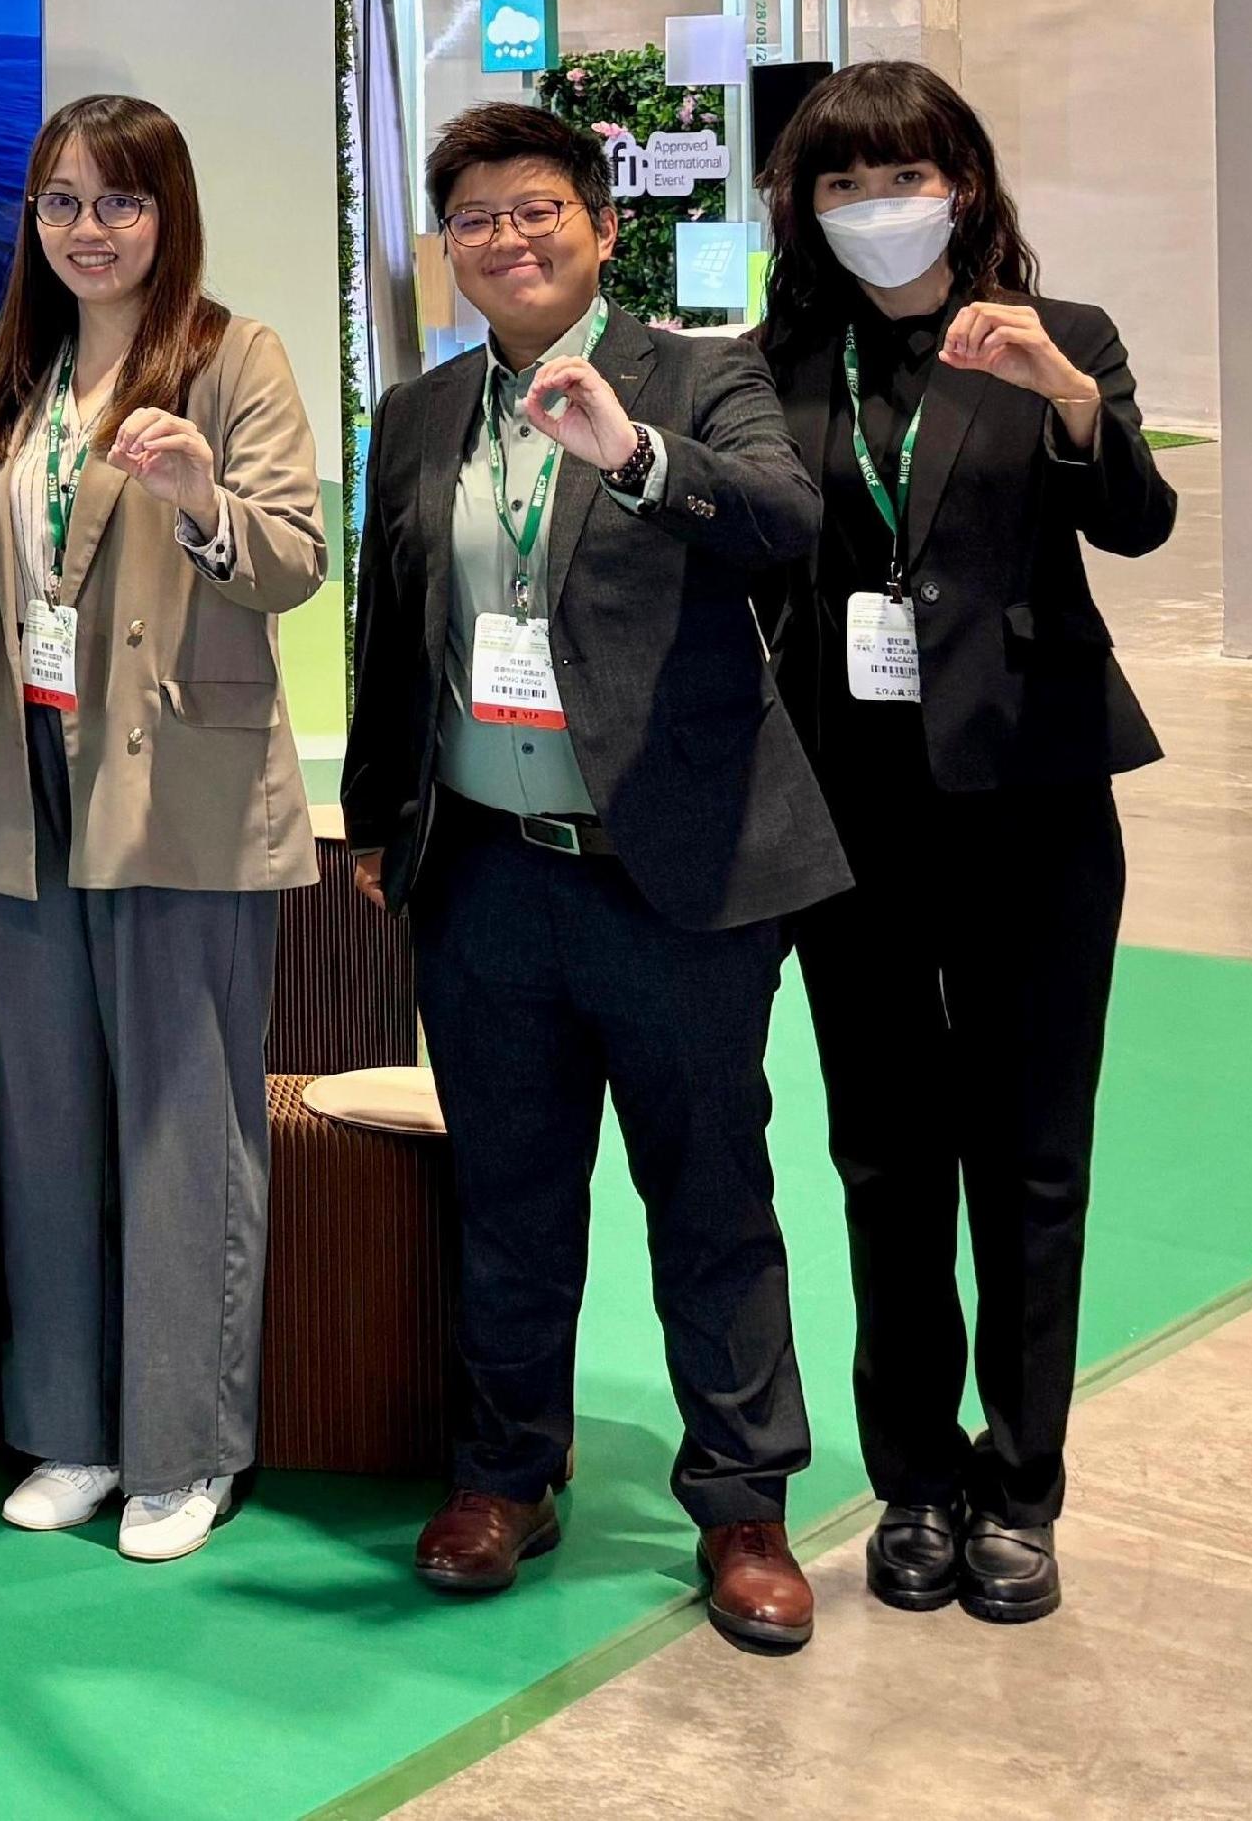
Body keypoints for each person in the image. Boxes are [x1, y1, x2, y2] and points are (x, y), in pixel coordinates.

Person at [340, 101, 847, 1656]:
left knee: (708, 1194)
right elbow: (394, 626)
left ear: (600, 225)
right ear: (450, 247)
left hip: (672, 875)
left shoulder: (700, 374)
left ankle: (744, 1505)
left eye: (538, 207)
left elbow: (784, 523)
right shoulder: (424, 412)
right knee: (509, 1191)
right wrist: (378, 820)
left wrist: (628, 455)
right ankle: (507, 1474)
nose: (509, 237)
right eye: (478, 216)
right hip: (486, 874)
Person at [752, 61, 1175, 1626]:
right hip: (849, 816)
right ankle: (915, 1478)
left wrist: (1069, 394)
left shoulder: (1062, 341)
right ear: (806, 203)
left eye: (905, 175)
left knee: (1032, 1154)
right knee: (883, 1157)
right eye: (844, 183)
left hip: (1035, 804)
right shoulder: (778, 362)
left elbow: (1134, 521)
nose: (878, 208)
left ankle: (1023, 1484)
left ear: (966, 184)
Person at [0, 94, 327, 1565]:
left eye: (121, 202)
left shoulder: (237, 356)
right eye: (61, 203)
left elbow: (291, 560)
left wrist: (199, 502)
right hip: (30, 784)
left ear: (170, 217)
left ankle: (188, 1446)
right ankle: (76, 1427)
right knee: (41, 1115)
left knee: (186, 1124)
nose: (89, 230)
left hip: (179, 784)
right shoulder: (17, 372)